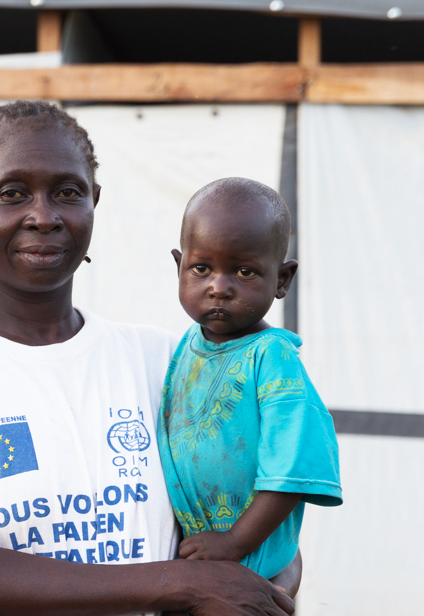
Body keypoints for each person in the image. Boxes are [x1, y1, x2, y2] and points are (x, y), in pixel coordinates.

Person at [0, 100, 297, 616]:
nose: (43, 216)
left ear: (94, 203)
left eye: (68, 193)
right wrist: (184, 584)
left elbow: (248, 508)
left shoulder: (166, 358)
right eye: (12, 194)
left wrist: (272, 579)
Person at [160, 178, 342, 589]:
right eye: (201, 268)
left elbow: (292, 469)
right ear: (179, 266)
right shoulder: (186, 345)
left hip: (247, 557)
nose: (219, 287)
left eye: (244, 271)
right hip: (198, 551)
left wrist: (234, 541)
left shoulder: (273, 358)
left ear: (282, 280)